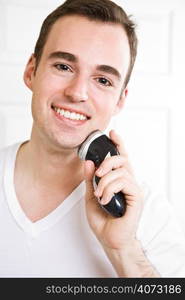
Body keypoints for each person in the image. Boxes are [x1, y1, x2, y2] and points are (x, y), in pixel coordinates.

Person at [0, 0, 185, 278]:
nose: (77, 93)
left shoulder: (148, 214)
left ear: (120, 100)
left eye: (103, 80)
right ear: (31, 71)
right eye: (63, 67)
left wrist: (124, 250)